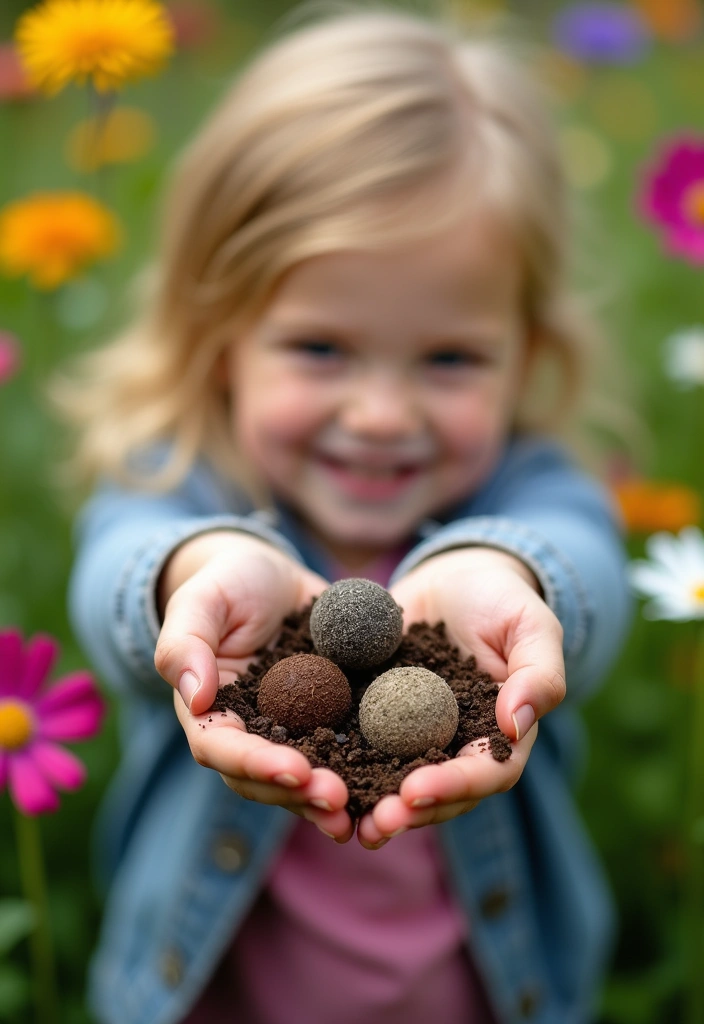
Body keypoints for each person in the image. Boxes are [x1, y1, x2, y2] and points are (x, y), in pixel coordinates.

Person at [60, 7, 631, 1024]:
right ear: (219, 334)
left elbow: (583, 564)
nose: (379, 414)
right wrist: (200, 565)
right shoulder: (183, 480)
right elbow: (117, 566)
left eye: (449, 358)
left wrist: (507, 576)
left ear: (527, 351)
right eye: (320, 348)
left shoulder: (526, 484)